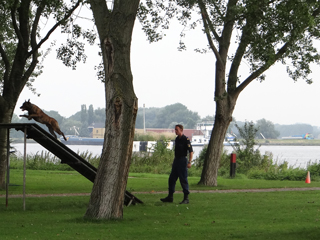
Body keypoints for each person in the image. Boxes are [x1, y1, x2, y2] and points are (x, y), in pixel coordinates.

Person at [160, 124, 193, 204]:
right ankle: (170, 196)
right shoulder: (177, 139)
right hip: (176, 160)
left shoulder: (186, 139)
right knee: (171, 179)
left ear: (181, 130)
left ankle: (186, 198)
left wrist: (189, 162)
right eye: (175, 130)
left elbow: (191, 151)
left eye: (176, 130)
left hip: (182, 160)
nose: (175, 131)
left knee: (183, 179)